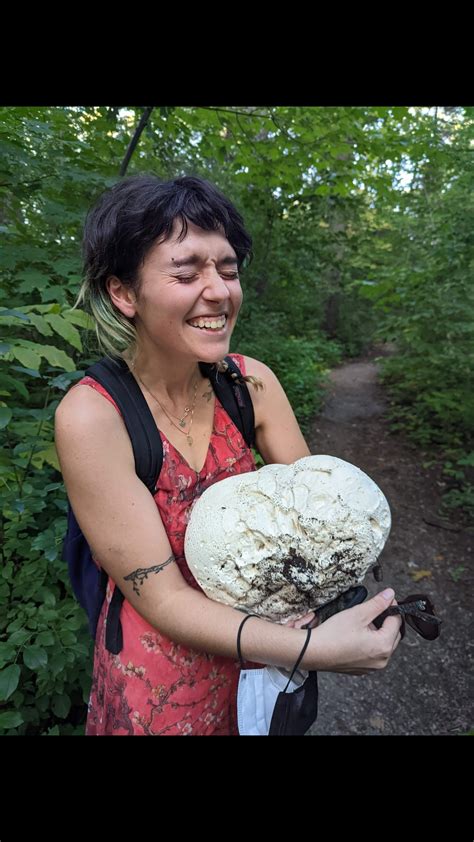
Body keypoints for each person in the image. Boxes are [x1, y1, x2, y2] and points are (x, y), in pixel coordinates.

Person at [54, 174, 402, 736]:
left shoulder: (249, 385)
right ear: (123, 293)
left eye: (229, 270)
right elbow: (162, 599)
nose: (219, 290)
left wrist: (335, 606)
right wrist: (310, 649)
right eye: (188, 272)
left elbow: (316, 525)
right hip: (164, 681)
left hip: (262, 665)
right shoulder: (95, 417)